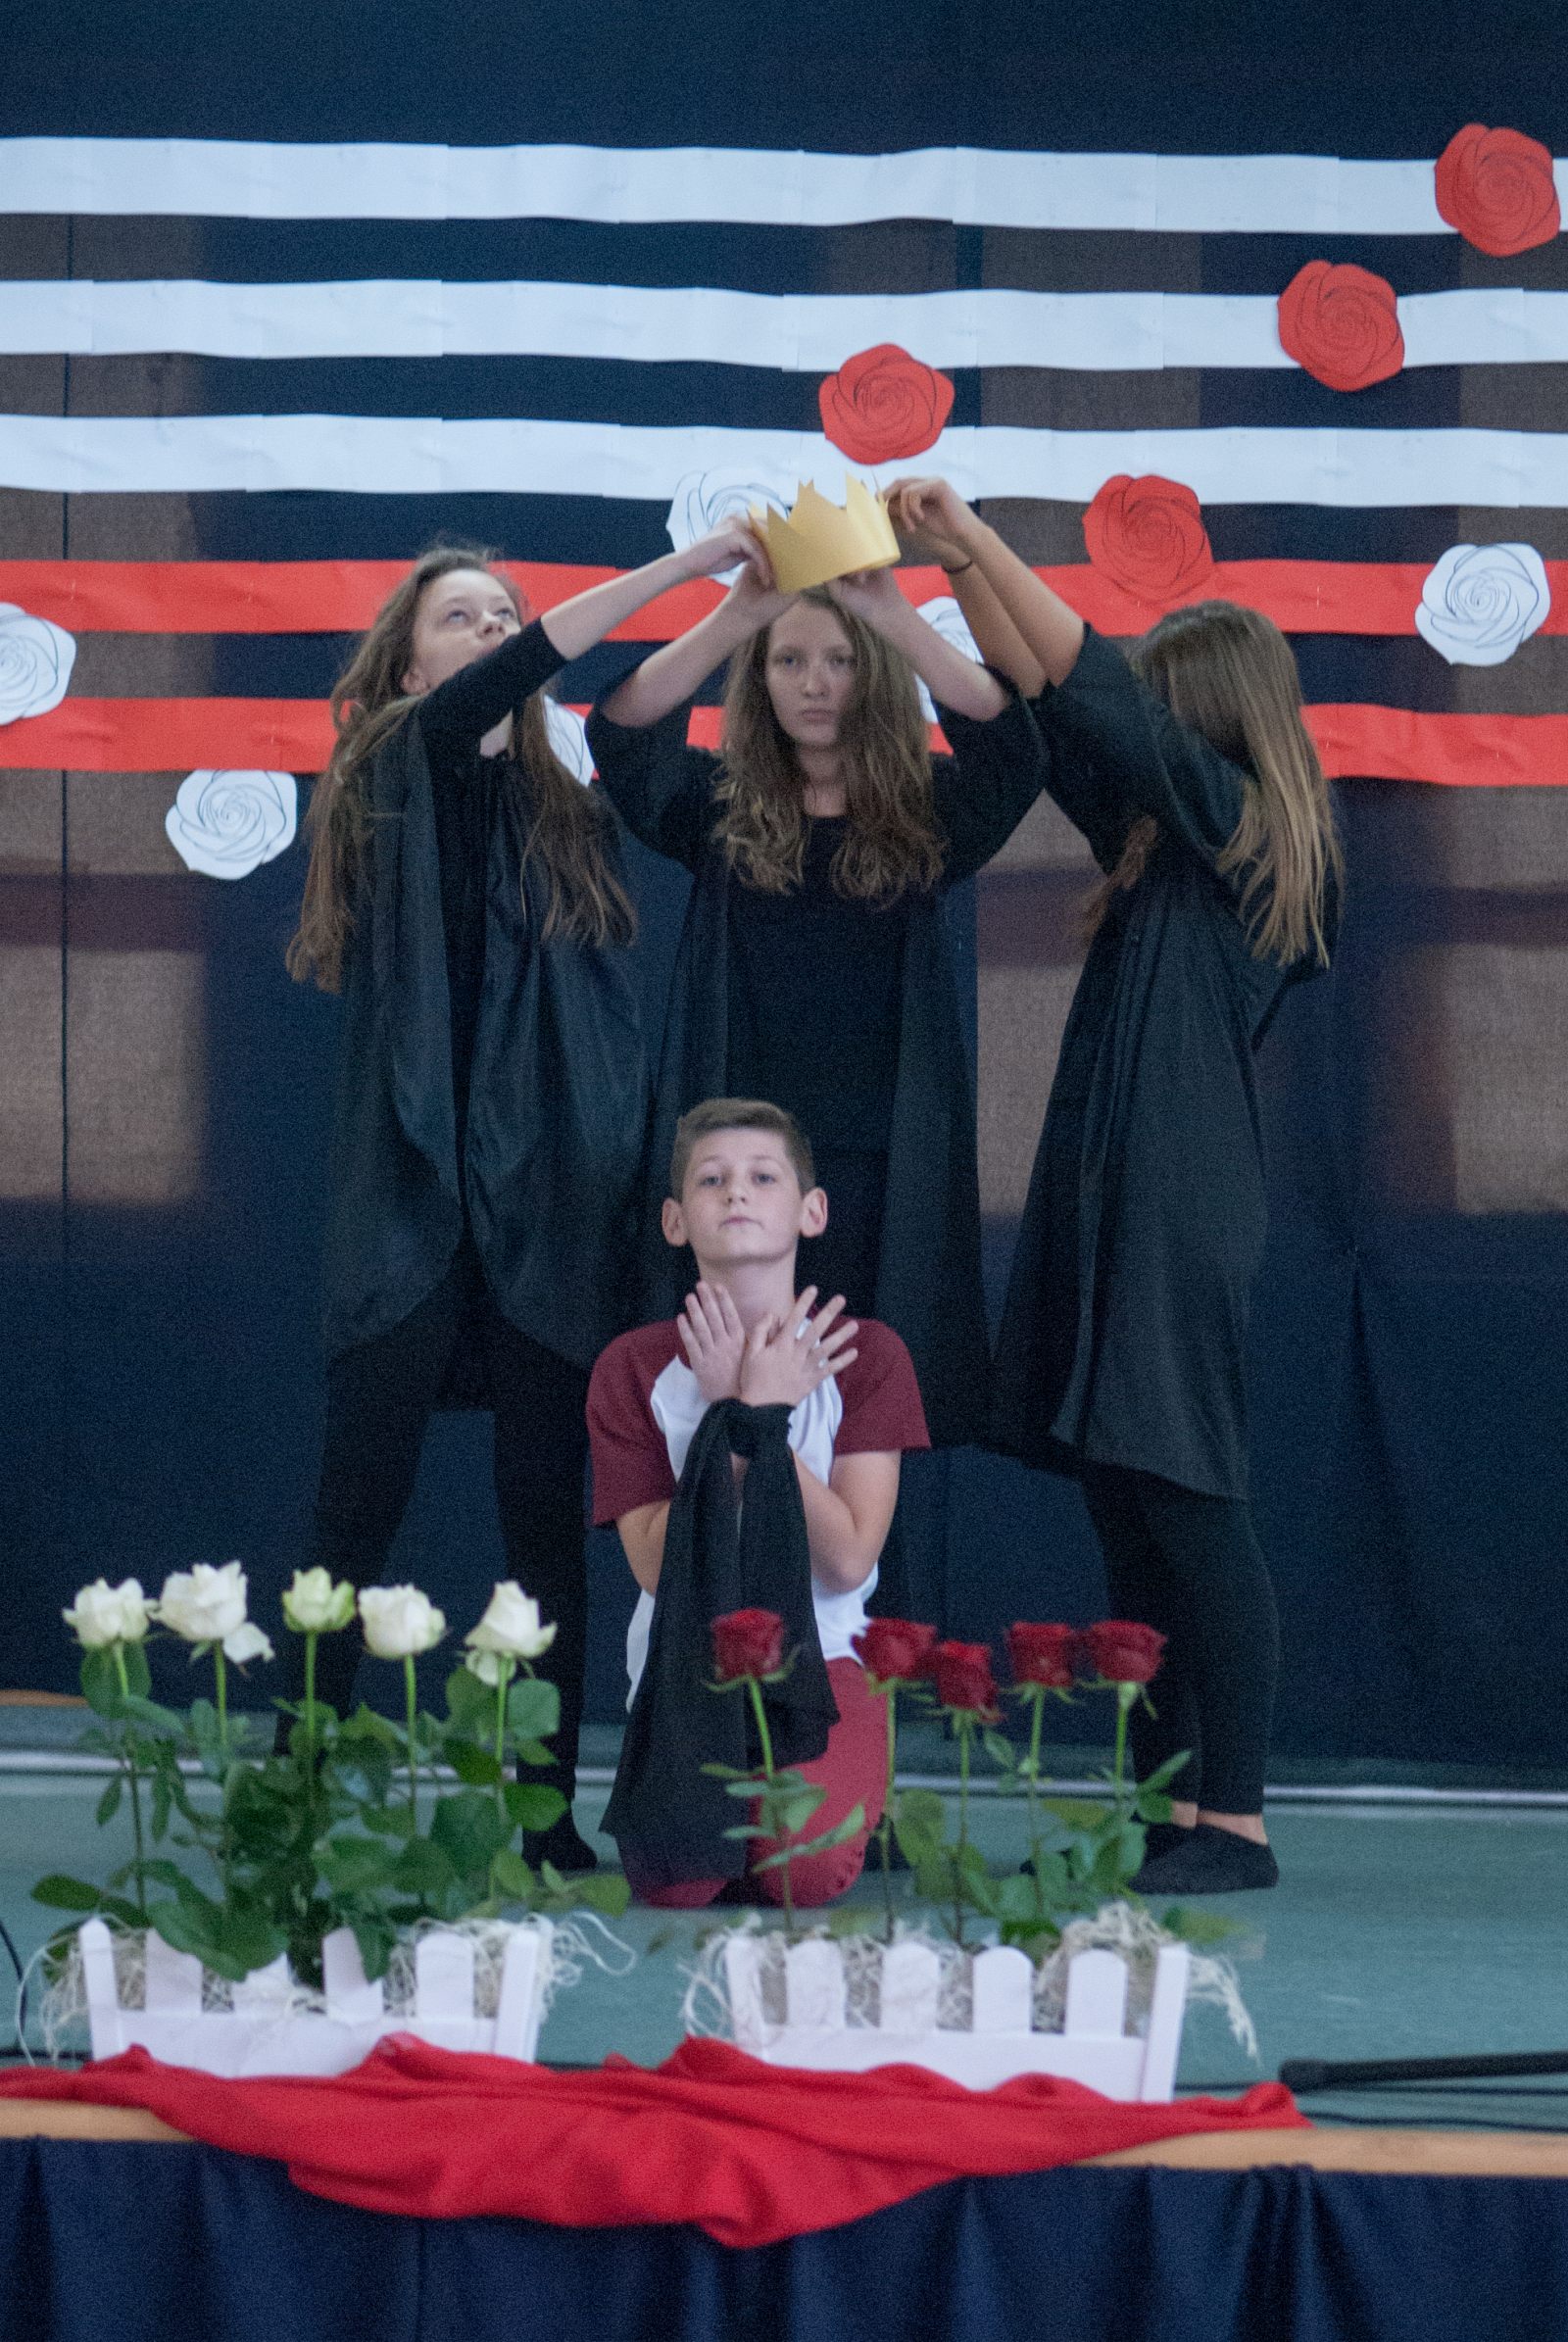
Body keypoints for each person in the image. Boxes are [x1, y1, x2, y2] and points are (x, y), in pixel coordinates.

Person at [884, 477, 1344, 1894]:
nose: (1141, 717)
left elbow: (1094, 688)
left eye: (1165, 704)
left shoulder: (1238, 831)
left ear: (1209, 721)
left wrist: (972, 539)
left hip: (1176, 1211)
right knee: (1130, 1511)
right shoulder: (1161, 846)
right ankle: (1166, 1806)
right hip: (1114, 1197)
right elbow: (1056, 700)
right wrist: (927, 587)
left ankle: (1236, 1821)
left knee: (1191, 1503)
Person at [285, 527, 758, 1869]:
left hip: (549, 1205)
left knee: (546, 1521)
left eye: (505, 614)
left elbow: (621, 711)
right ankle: (297, 1794)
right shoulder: (399, 759)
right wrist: (685, 567)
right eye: (464, 617)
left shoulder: (568, 813)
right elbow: (530, 671)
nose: (495, 631)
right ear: (406, 665)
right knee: (353, 1516)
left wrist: (741, 610)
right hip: (415, 1201)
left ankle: (544, 1810)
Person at [583, 548, 1050, 1457]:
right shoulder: (719, 808)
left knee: (868, 1420)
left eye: (839, 660)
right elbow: (623, 731)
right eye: (789, 660)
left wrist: (895, 617)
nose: (814, 683)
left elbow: (1014, 749)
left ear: (873, 673)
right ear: (759, 678)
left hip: (882, 1164)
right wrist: (735, 620)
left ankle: (866, 1563)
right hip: (743, 1169)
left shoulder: (927, 812)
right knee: (731, 1411)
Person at [586, 1098, 929, 1906]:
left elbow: (847, 1562)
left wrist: (762, 1419)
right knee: (678, 1888)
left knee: (800, 1872)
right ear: (675, 1221)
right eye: (712, 1180)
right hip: (685, 1670)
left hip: (824, 1659)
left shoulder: (867, 1355)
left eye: (763, 1177)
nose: (737, 1191)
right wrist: (734, 1420)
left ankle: (846, 1782)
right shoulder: (632, 1367)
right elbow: (654, 1567)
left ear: (813, 1211)